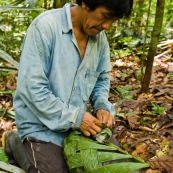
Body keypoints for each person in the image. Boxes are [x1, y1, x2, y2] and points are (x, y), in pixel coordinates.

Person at [10, 0, 133, 172]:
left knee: (119, 167)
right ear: (85, 3)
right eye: (105, 17)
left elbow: (101, 79)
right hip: (40, 126)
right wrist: (76, 118)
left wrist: (101, 107)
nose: (107, 26)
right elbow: (32, 88)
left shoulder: (99, 39)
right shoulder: (45, 27)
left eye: (113, 21)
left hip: (78, 126)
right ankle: (16, 142)